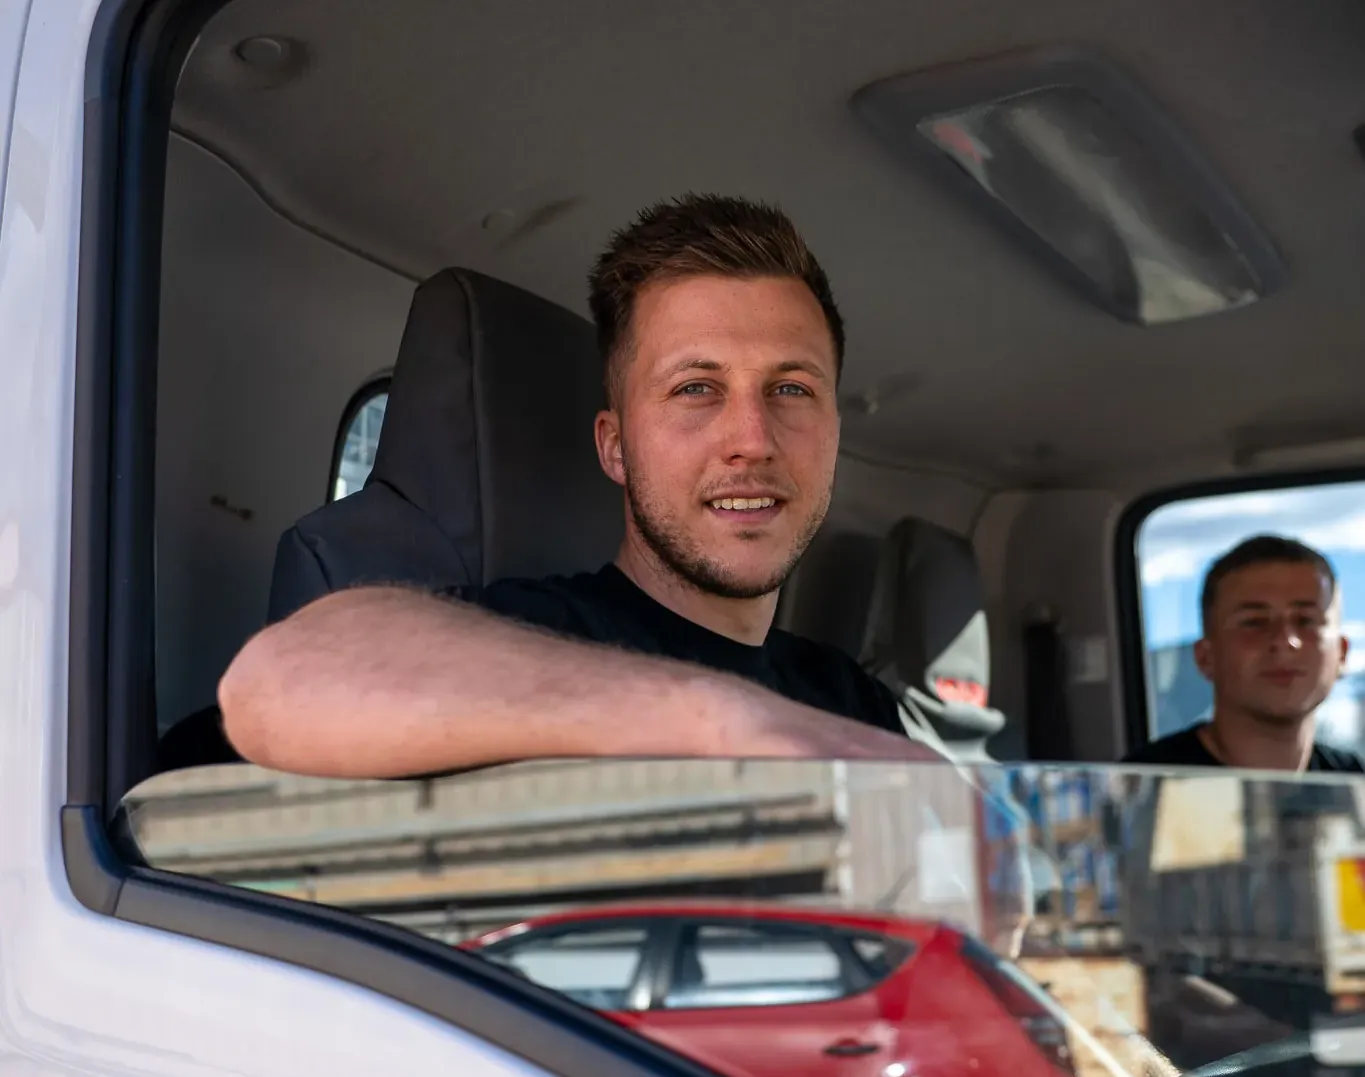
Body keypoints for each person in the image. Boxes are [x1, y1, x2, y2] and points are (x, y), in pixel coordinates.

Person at [219, 193, 944, 778]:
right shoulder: (524, 639)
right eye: (696, 388)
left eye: (789, 387)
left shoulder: (855, 705)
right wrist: (720, 720)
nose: (751, 439)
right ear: (615, 447)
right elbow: (283, 675)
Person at [1123, 534, 1359, 772]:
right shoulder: (1138, 790)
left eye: (1306, 620)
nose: (1285, 641)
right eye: (1254, 622)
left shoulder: (1356, 784)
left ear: (1342, 653)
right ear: (1205, 657)